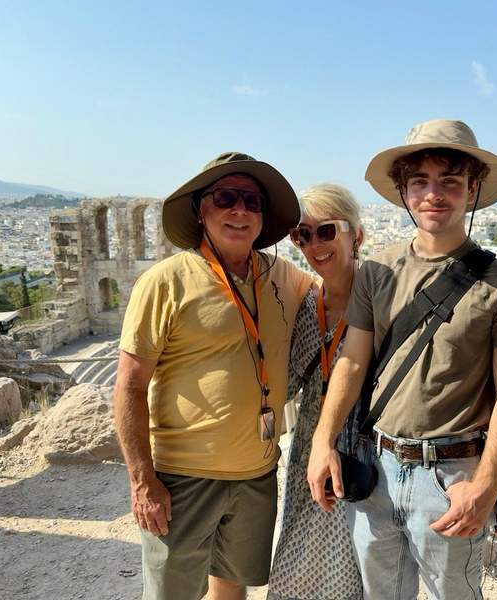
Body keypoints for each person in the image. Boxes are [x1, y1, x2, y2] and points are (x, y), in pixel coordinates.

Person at [307, 119, 497, 599]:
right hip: (378, 468)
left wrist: (487, 483)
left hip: (453, 473)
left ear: (472, 190)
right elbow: (352, 361)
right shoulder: (377, 270)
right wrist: (321, 441)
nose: (434, 195)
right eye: (420, 182)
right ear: (404, 192)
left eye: (450, 182)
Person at [113, 152, 314, 600]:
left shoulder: (282, 276)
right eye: (225, 198)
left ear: (263, 217)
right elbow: (129, 385)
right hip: (183, 475)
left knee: (231, 585)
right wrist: (143, 481)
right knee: (173, 593)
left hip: (257, 472)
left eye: (251, 200)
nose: (239, 210)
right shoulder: (166, 282)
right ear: (202, 211)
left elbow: (336, 293)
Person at [268, 184, 365, 600]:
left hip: (364, 451)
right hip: (311, 450)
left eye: (325, 232)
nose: (313, 245)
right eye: (302, 235)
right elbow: (289, 382)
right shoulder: (307, 305)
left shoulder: (383, 299)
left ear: (356, 235)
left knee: (356, 569)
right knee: (297, 565)